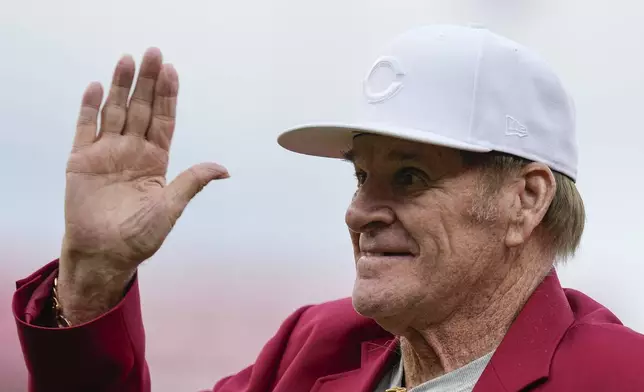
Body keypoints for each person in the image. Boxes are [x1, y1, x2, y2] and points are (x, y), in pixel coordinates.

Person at [11, 24, 644, 392]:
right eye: (362, 175)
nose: (360, 211)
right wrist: (92, 281)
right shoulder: (311, 347)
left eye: (410, 176)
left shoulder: (620, 376)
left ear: (525, 200)